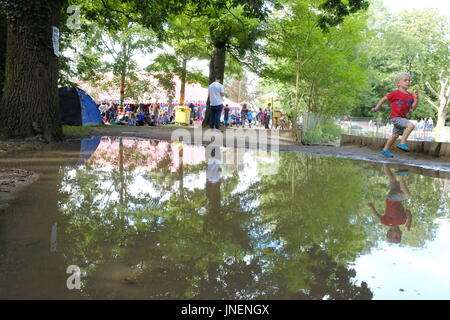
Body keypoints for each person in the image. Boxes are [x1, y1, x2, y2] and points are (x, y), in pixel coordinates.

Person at [372, 72, 419, 158]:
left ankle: (385, 150)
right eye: (405, 80)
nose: (408, 82)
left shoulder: (410, 96)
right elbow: (384, 99)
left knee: (395, 135)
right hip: (395, 117)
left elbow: (413, 107)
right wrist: (376, 108)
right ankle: (402, 142)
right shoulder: (395, 93)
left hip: (402, 118)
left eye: (409, 80)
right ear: (398, 83)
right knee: (411, 125)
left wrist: (416, 98)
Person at [367, 164, 412, 244]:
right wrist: (409, 220)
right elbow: (407, 211)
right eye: (400, 237)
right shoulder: (403, 221)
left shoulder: (386, 222)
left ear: (390, 233)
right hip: (397, 199)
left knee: (407, 195)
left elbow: (377, 216)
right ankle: (385, 163)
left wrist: (371, 207)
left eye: (396, 236)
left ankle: (401, 176)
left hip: (391, 199)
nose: (399, 234)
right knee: (393, 181)